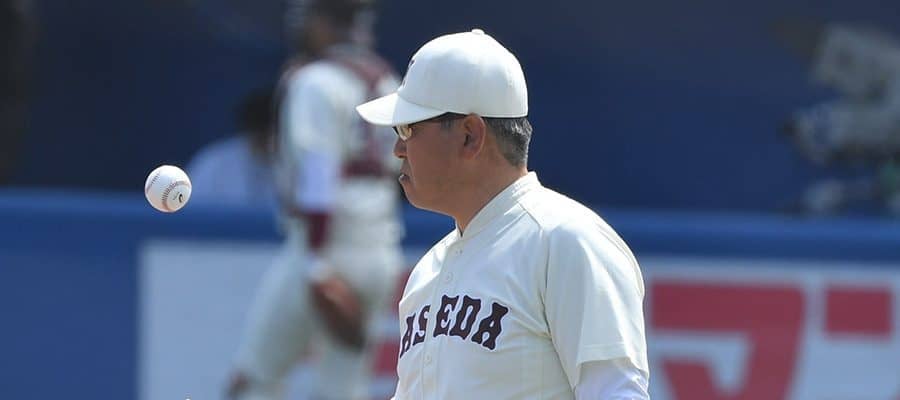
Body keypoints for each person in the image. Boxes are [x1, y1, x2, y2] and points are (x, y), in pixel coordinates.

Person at [356, 29, 650, 399]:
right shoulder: (429, 270)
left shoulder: (566, 240)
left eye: (408, 128)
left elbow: (616, 392)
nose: (398, 148)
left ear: (470, 135)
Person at [226, 0, 403, 399]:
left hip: (324, 249)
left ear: (327, 21)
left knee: (255, 378)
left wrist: (316, 263)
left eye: (308, 17)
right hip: (379, 248)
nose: (301, 26)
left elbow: (318, 171)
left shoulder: (315, 81)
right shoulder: (387, 79)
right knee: (344, 388)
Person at [186, 88, 279, 209]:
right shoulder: (214, 163)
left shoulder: (299, 163)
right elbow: (190, 213)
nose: (268, 141)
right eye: (262, 135)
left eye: (275, 133)